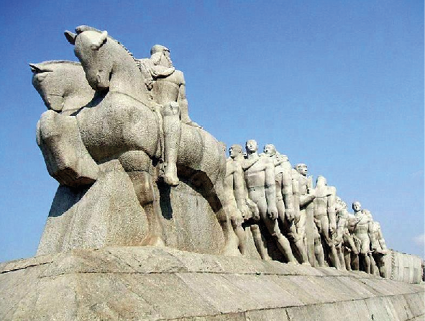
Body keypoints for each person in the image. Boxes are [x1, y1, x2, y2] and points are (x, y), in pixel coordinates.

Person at [139, 45, 200, 186]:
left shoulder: (177, 74)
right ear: (164, 55)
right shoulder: (144, 66)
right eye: (168, 55)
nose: (169, 59)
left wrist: (185, 118)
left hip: (170, 110)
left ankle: (170, 166)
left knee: (172, 107)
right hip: (150, 105)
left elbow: (182, 99)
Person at [243, 140, 297, 263]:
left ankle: (291, 259)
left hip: (262, 198)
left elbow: (270, 185)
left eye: (252, 143)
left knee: (274, 232)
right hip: (250, 199)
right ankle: (264, 258)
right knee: (254, 228)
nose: (249, 145)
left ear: (257, 147)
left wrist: (271, 205)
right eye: (247, 143)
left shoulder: (265, 161)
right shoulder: (244, 164)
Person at [263, 144, 309, 264]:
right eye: (264, 148)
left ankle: (305, 261)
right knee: (274, 233)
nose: (265, 149)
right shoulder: (263, 165)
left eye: (268, 148)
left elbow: (287, 190)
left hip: (280, 201)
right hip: (266, 201)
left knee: (291, 233)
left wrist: (289, 208)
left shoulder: (281, 169)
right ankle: (290, 259)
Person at [351, 201, 376, 274]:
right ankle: (357, 270)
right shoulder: (351, 217)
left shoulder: (366, 218)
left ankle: (368, 272)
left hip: (365, 237)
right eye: (354, 205)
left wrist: (373, 243)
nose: (356, 206)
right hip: (356, 237)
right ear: (352, 207)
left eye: (357, 205)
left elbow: (370, 232)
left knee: (364, 252)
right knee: (355, 253)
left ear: (360, 206)